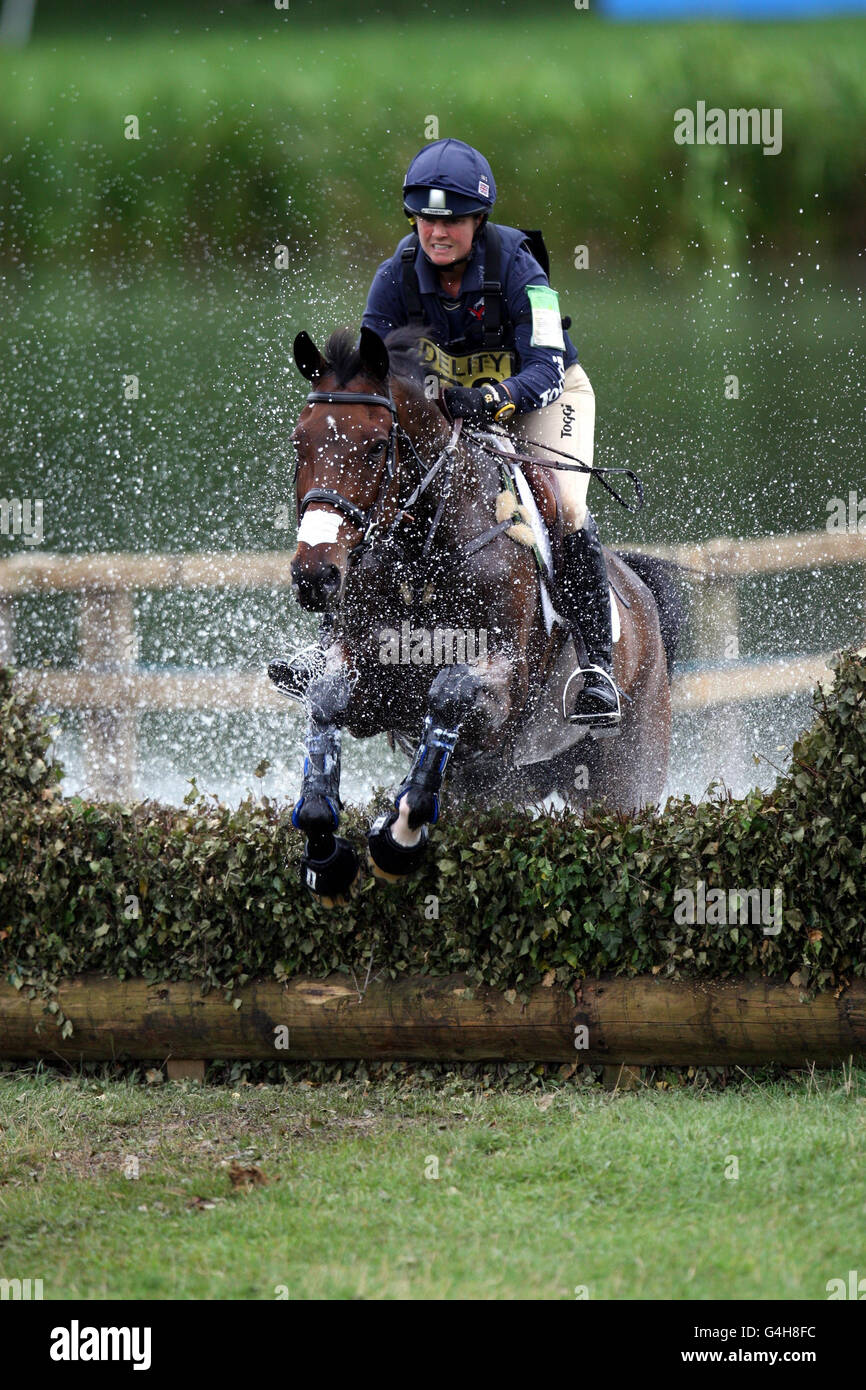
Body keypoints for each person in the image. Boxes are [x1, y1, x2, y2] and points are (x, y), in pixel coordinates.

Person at [361, 138, 619, 726]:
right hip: (451, 412)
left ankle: (596, 667)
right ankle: (337, 651)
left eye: (451, 219)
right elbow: (370, 375)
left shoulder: (520, 267)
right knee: (379, 495)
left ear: (479, 220)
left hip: (542, 397)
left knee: (567, 505)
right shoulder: (394, 277)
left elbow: (548, 368)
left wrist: (491, 400)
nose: (437, 231)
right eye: (426, 218)